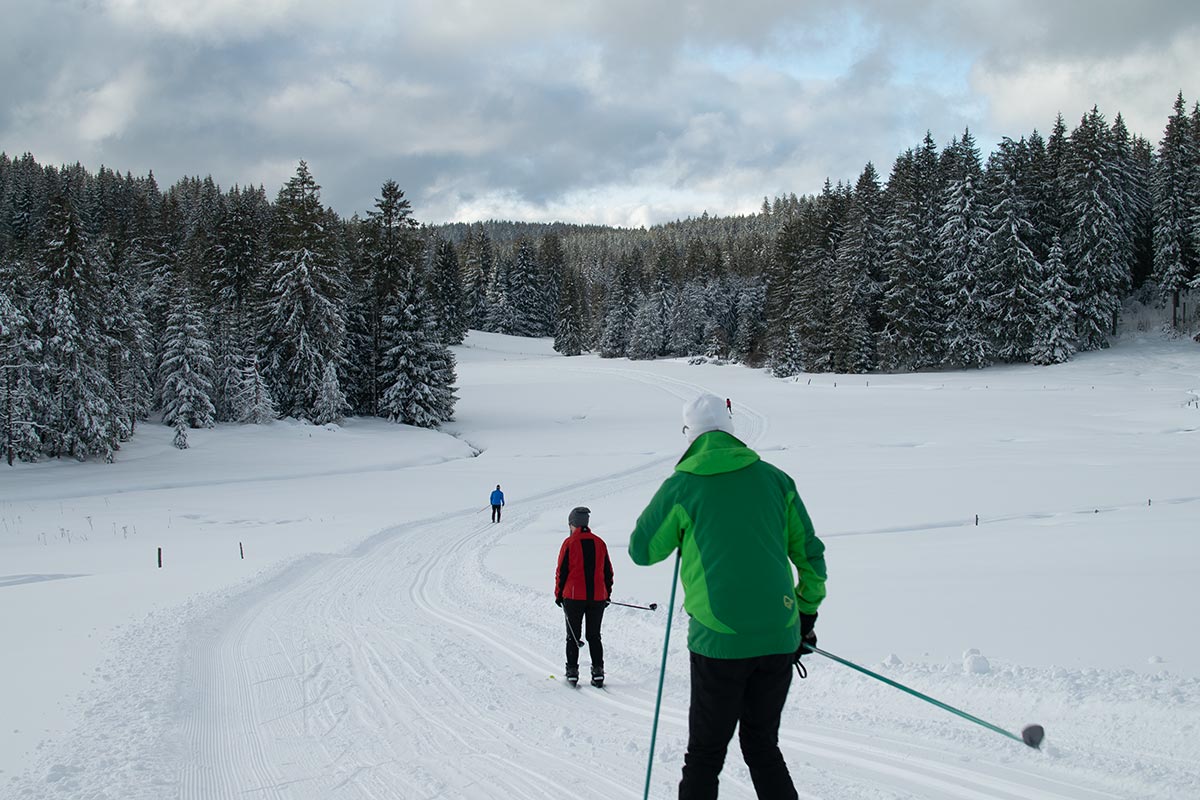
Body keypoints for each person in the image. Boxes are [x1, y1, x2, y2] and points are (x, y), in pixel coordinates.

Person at [630, 393, 826, 800]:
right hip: (779, 636)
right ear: (731, 430)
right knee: (762, 748)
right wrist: (805, 616)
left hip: (718, 642)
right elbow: (809, 554)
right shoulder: (775, 479)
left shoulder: (682, 486)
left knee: (705, 754)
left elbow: (643, 551)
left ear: (690, 435)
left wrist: (683, 526)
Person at [554, 506, 613, 687]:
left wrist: (558, 594)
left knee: (573, 636)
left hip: (573, 597)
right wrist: (607, 594)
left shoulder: (569, 543)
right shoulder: (599, 542)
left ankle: (572, 671)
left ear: (573, 524)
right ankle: (598, 672)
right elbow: (608, 572)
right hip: (597, 597)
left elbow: (561, 571)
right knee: (594, 635)